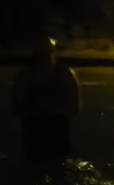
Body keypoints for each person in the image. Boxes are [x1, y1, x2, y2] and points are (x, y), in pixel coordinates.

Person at [11, 36, 81, 164]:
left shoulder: (64, 75)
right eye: (41, 55)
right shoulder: (24, 76)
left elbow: (75, 106)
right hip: (34, 127)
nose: (43, 59)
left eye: (45, 55)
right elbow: (16, 108)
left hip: (55, 127)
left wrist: (48, 109)